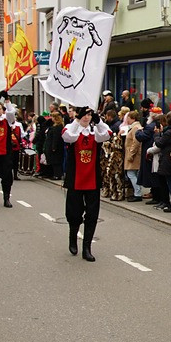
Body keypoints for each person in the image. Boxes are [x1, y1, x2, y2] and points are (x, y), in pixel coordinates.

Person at [62, 107, 111, 261]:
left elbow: (107, 134)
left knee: (92, 214)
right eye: (85, 114)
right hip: (75, 179)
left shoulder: (94, 132)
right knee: (74, 213)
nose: (87, 117)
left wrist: (98, 121)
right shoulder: (71, 128)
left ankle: (87, 248)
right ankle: (72, 237)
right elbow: (68, 137)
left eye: (89, 115)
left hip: (92, 179)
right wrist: (77, 120)